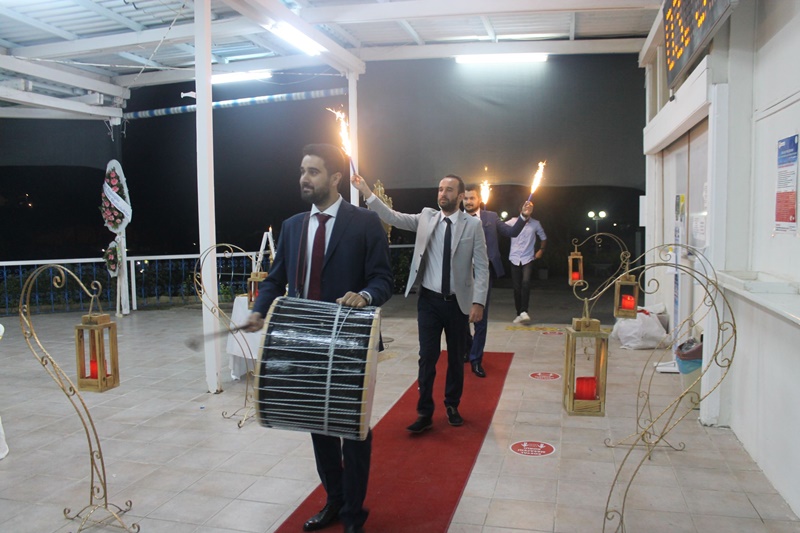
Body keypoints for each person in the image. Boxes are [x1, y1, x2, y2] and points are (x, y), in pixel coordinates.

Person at [245, 144, 393, 533]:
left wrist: (365, 296)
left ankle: (354, 514)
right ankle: (335, 500)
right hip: (303, 342)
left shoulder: (365, 223)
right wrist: (259, 309)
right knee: (318, 423)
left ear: (335, 178)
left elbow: (383, 279)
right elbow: (275, 279)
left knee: (352, 427)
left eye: (313, 171)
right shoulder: (293, 226)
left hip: (350, 345)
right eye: (302, 171)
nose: (304, 179)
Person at [351, 172, 489, 434]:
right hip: (429, 301)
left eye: (449, 190)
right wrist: (367, 192)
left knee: (456, 358)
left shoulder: (472, 226)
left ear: (461, 196)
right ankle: (424, 411)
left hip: (458, 303)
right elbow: (393, 217)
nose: (442, 194)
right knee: (427, 357)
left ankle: (452, 405)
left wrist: (478, 303)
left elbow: (482, 267)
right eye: (440, 189)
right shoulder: (427, 217)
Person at [462, 185, 533, 377]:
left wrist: (524, 216)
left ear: (479, 200)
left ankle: (476, 359)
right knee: (461, 317)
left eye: (472, 198)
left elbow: (512, 232)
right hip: (461, 275)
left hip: (484, 274)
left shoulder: (491, 217)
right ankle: (468, 348)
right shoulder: (456, 218)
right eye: (465, 198)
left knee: (480, 318)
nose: (468, 201)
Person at [505, 204, 547, 324]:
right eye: (525, 209)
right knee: (516, 287)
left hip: (528, 258)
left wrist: (541, 250)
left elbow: (543, 237)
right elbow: (500, 227)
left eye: (529, 209)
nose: (527, 211)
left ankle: (524, 311)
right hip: (514, 258)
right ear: (521, 210)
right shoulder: (513, 221)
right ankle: (519, 313)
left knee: (526, 283)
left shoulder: (536, 223)